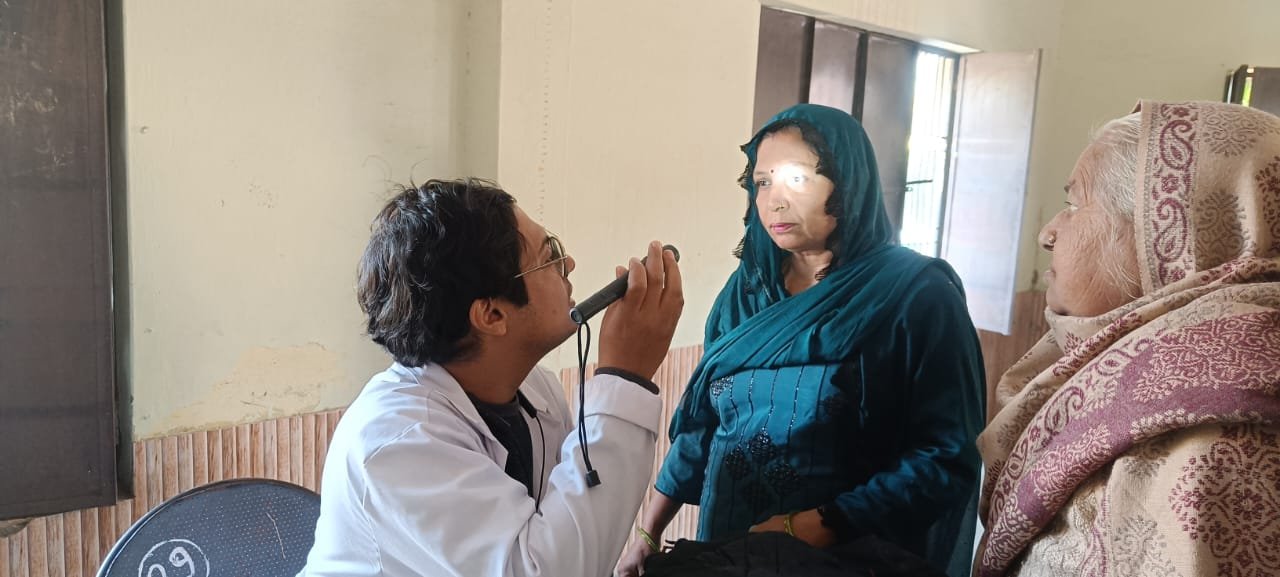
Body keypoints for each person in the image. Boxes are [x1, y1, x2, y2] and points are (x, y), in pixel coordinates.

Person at [618, 104, 987, 577]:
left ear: (848, 182)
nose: (774, 201)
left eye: (797, 178)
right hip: (727, 551)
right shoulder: (747, 291)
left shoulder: (915, 296)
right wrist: (648, 534)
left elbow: (946, 455)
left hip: (842, 557)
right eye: (763, 182)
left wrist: (816, 525)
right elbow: (703, 427)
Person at [298, 178, 684, 577]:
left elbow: (565, 530)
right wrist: (625, 377)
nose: (568, 264)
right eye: (549, 255)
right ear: (492, 315)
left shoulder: (535, 388)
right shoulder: (398, 441)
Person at [976, 101, 1280, 576]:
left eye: (1074, 205)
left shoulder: (1205, 450)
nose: (1048, 234)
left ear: (1163, 233)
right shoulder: (1131, 365)